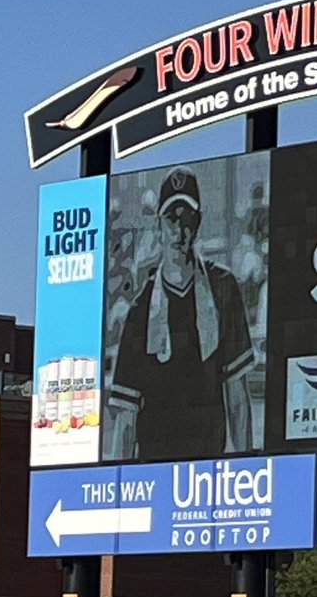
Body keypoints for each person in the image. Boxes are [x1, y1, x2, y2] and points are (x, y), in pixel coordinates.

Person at [106, 166, 255, 461]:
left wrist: (247, 462)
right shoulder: (141, 310)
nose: (179, 228)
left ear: (197, 222)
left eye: (187, 217)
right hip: (154, 469)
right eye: (171, 218)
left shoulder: (222, 288)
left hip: (210, 469)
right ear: (159, 225)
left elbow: (237, 393)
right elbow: (126, 416)